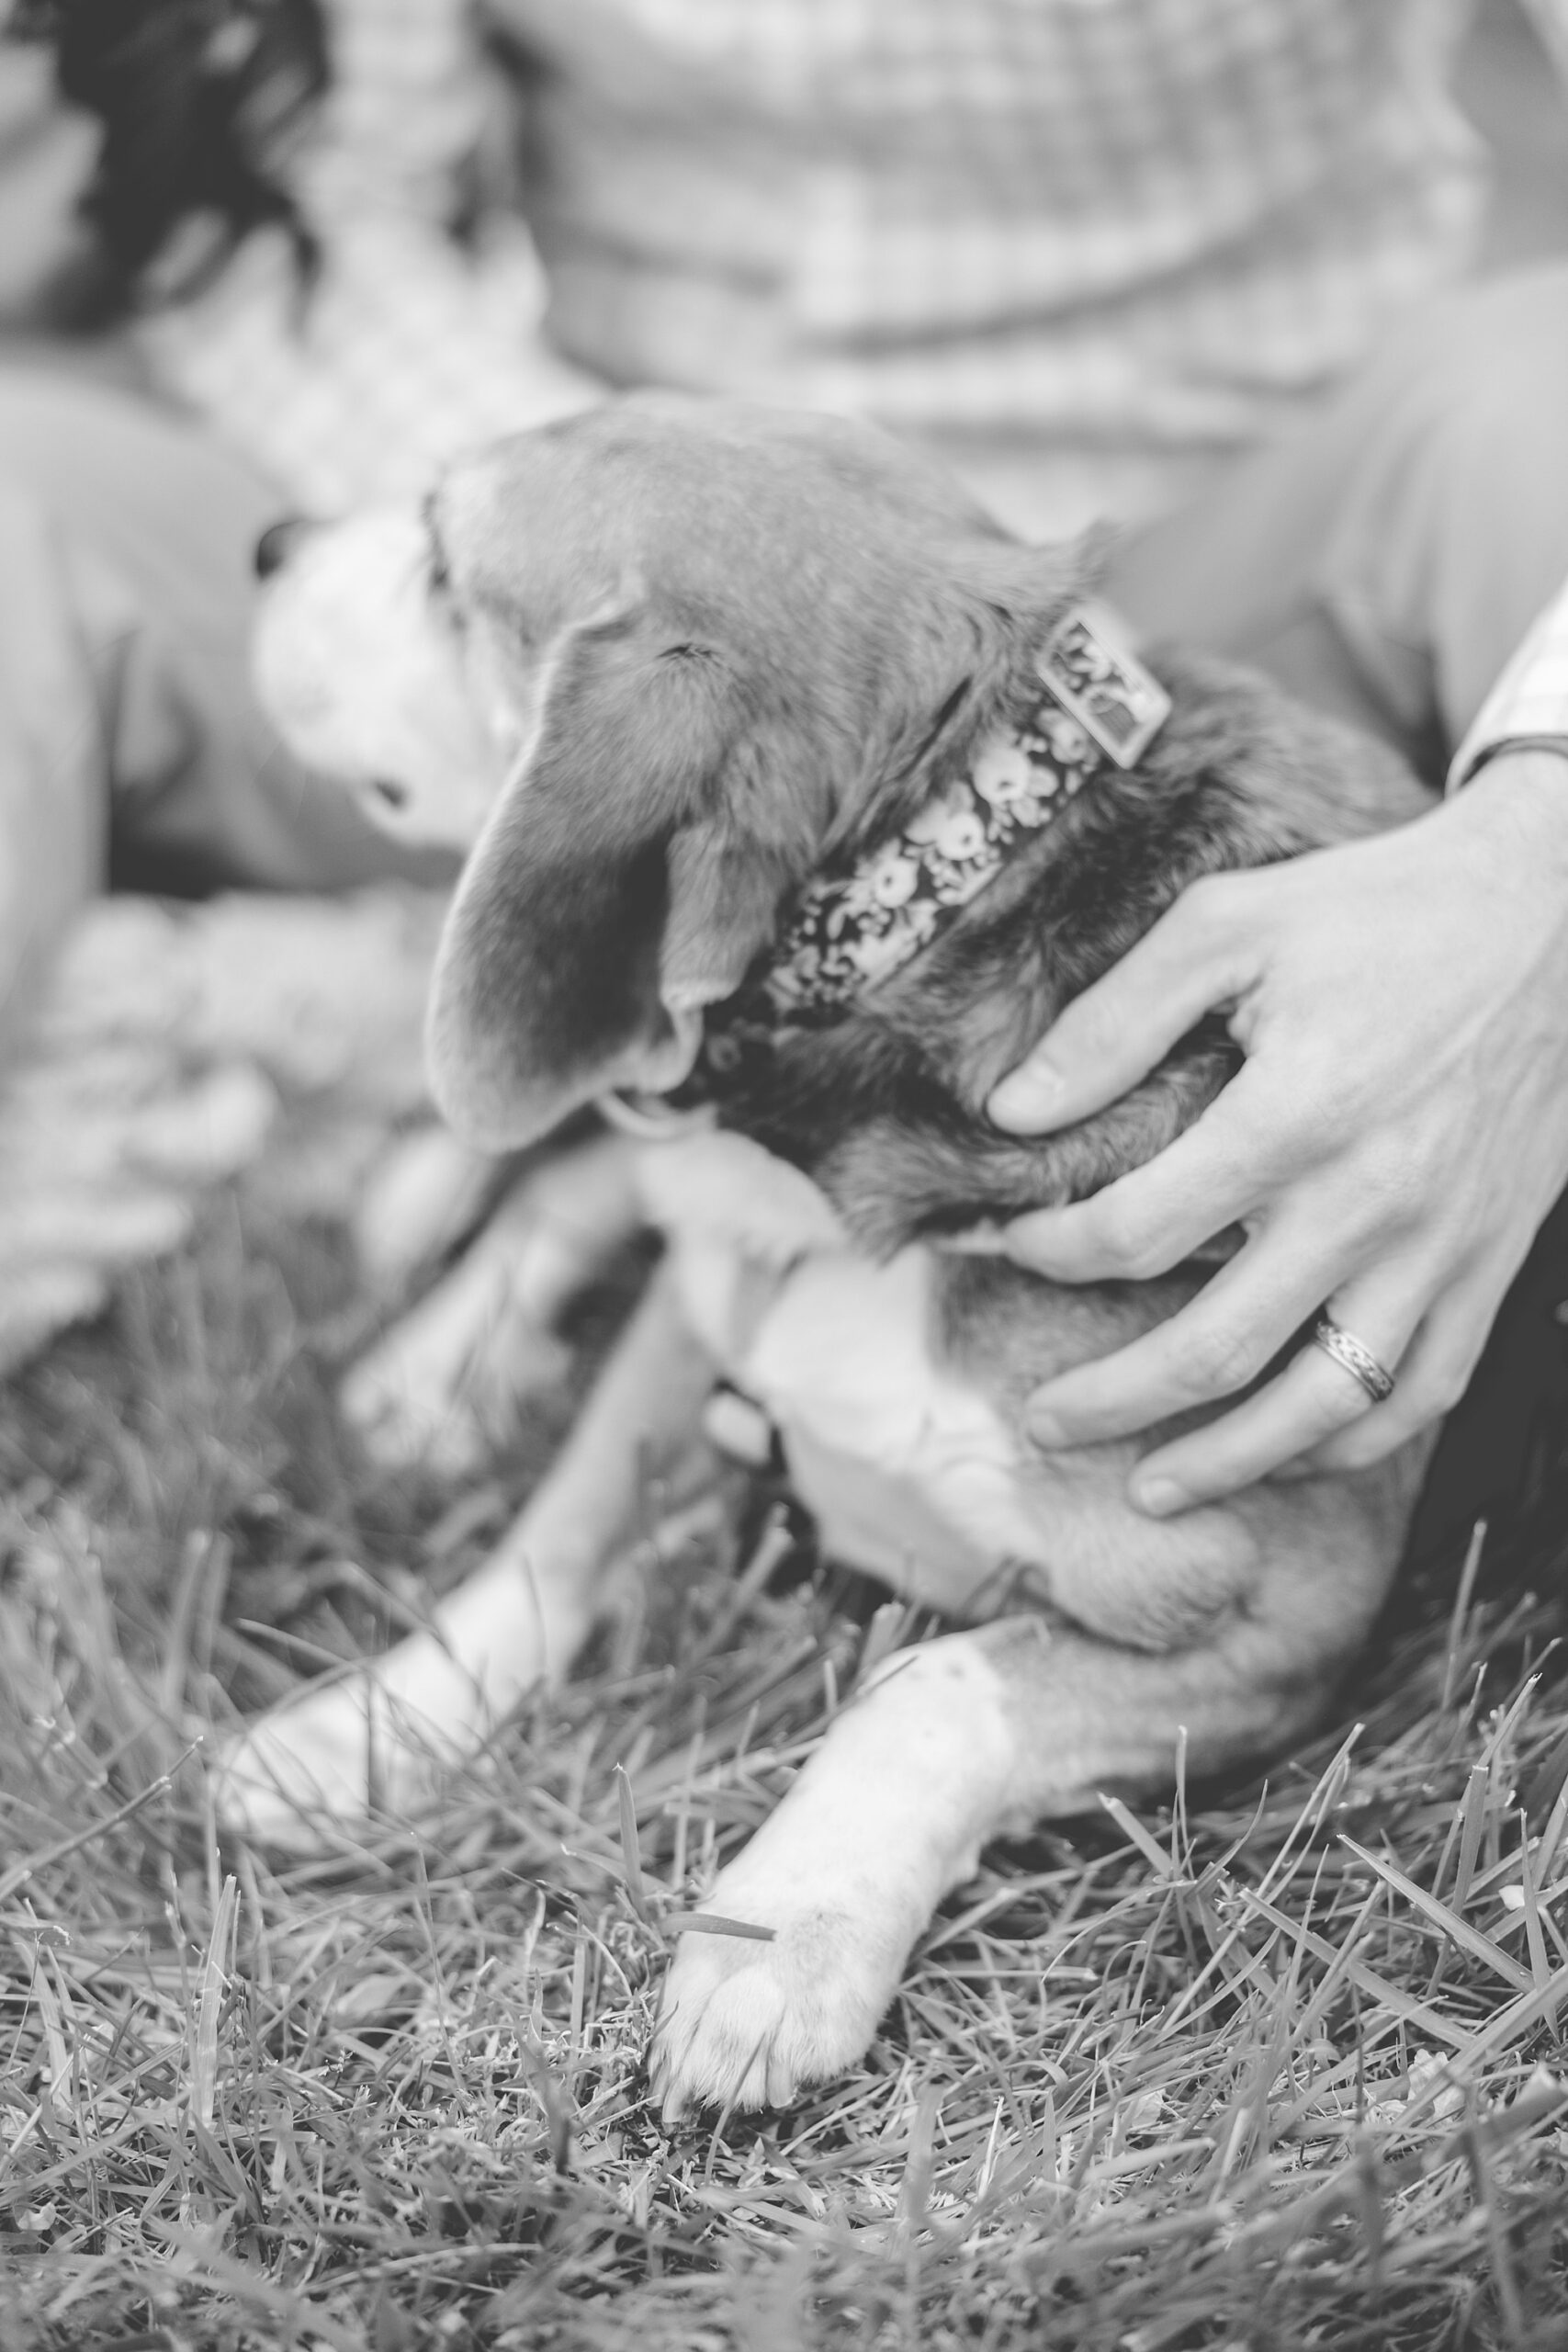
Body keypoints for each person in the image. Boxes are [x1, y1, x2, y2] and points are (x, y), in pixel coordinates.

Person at [3, 0, 1568, 1531]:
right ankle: (546, 992)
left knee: (1542, 377)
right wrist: (610, 554)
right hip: (592, 646)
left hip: (1183, 579)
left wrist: (1542, 859)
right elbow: (339, 192)